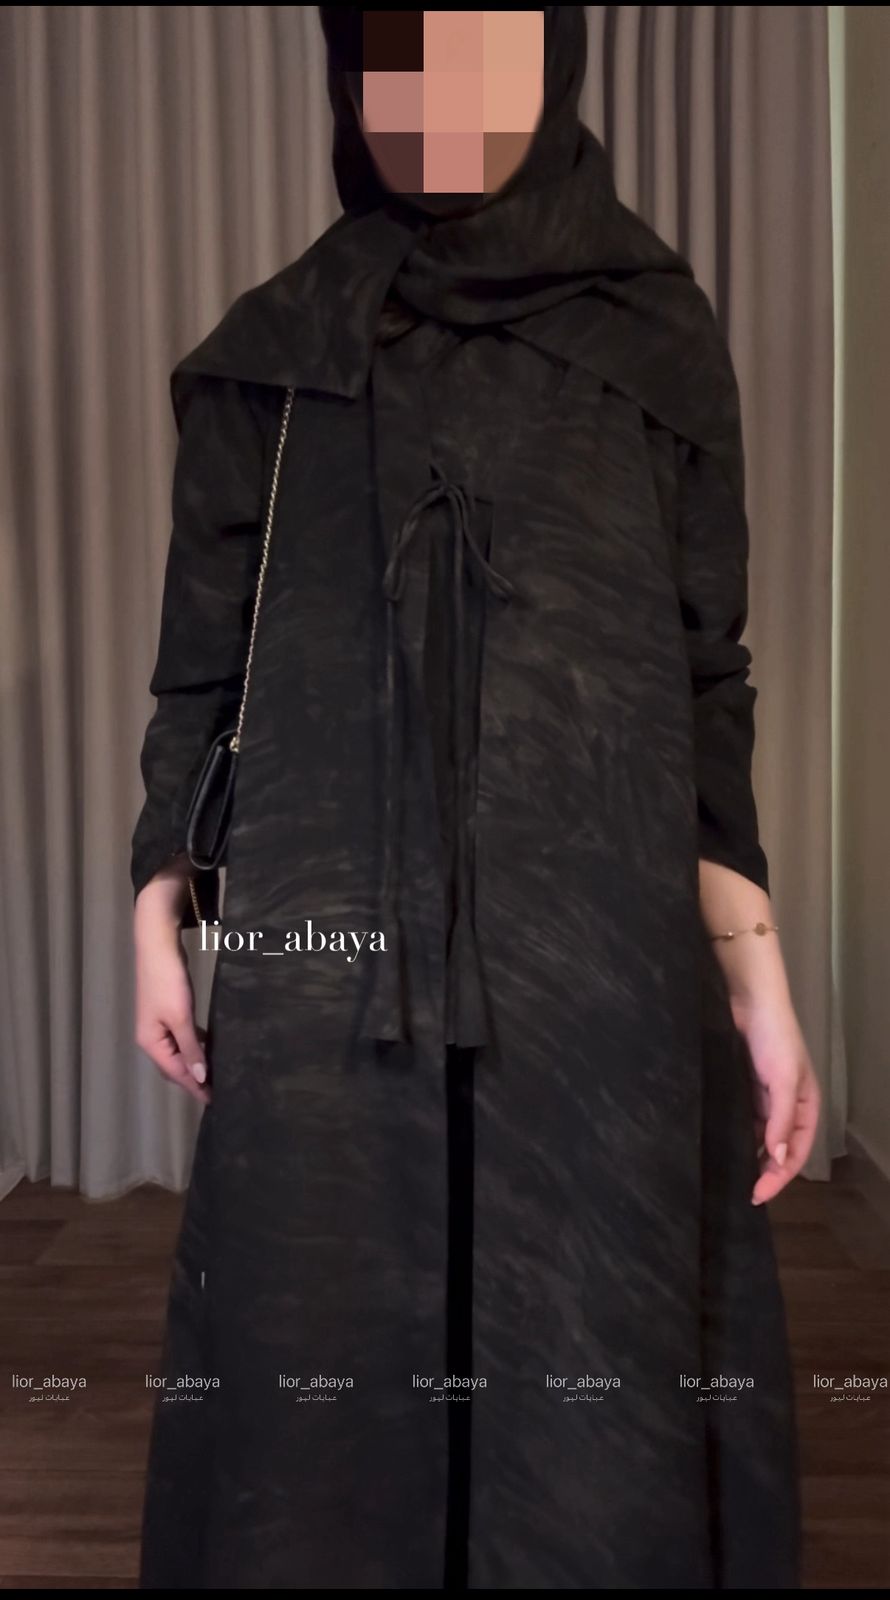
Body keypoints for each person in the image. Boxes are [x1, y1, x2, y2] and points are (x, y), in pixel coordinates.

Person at [131, 6, 820, 1589]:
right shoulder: (275, 355)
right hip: (327, 946)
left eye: (486, 52)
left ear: (555, 65)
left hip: (593, 951)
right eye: (403, 60)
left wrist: (756, 978)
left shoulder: (652, 339)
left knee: (586, 1364)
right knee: (320, 1345)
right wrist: (162, 900)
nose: (441, 100)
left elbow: (702, 673)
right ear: (348, 79)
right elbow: (200, 668)